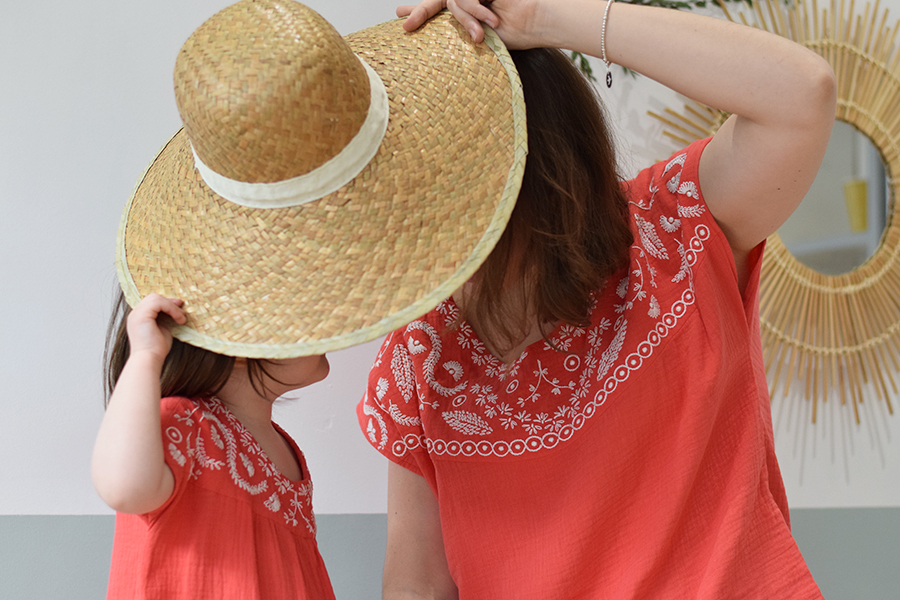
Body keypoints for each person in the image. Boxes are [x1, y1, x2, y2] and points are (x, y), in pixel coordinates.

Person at [357, 0, 837, 598]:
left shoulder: (670, 231)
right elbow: (419, 585)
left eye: (461, 193)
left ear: (541, 169)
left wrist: (542, 17)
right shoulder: (423, 357)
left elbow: (802, 94)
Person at [91, 1, 529, 598]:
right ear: (254, 332)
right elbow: (124, 487)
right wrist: (144, 361)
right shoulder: (182, 427)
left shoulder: (278, 449)